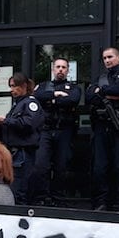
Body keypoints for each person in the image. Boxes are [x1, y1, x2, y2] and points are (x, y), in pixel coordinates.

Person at [86, 46, 119, 212]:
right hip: (101, 127)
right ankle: (101, 202)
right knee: (100, 166)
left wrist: (103, 91)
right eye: (105, 58)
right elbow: (90, 96)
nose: (107, 60)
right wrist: (108, 93)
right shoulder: (100, 78)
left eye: (110, 57)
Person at [0, 73, 43, 204]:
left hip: (22, 153)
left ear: (23, 86)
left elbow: (28, 124)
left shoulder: (30, 103)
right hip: (13, 152)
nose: (11, 90)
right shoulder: (17, 104)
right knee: (13, 189)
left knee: (19, 191)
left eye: (14, 86)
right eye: (10, 86)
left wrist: (6, 121)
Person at [32, 58, 81, 205]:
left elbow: (73, 100)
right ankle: (41, 198)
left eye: (63, 67)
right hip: (46, 131)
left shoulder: (73, 87)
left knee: (62, 166)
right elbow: (37, 96)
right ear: (53, 69)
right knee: (41, 165)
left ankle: (58, 199)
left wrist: (51, 100)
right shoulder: (43, 86)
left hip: (64, 130)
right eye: (58, 67)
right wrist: (56, 95)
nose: (60, 70)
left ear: (67, 70)